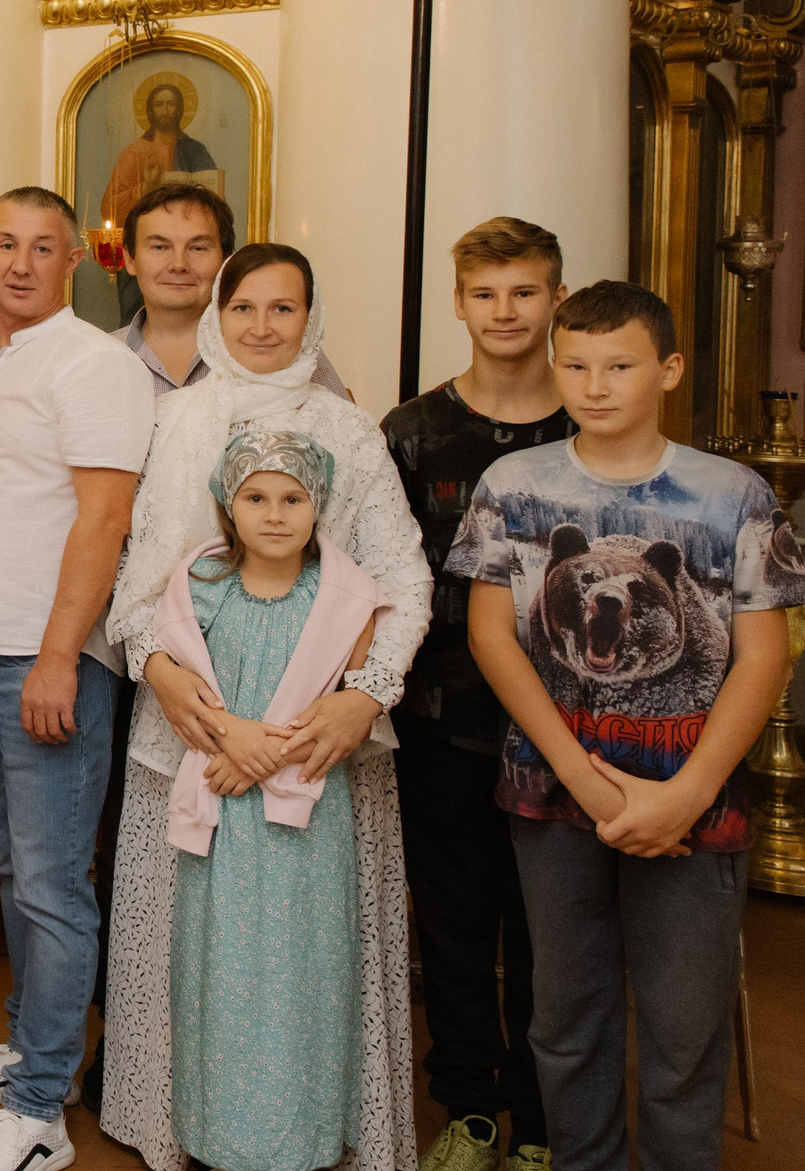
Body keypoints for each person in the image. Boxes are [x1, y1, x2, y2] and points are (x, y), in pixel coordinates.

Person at [458, 281, 803, 1171]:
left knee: (686, 1033)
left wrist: (684, 793)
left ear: (670, 369)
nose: (593, 384)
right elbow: (492, 635)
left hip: (698, 801)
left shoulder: (734, 495)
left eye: (619, 365)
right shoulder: (513, 485)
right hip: (552, 789)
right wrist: (580, 775)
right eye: (573, 364)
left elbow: (763, 658)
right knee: (567, 1017)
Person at [103, 244, 431, 1171]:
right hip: (192, 730)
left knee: (302, 960)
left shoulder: (348, 429)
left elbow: (400, 577)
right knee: (200, 958)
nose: (260, 326)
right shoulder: (175, 420)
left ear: (309, 319)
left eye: (282, 308)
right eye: (242, 305)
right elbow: (143, 581)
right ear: (217, 311)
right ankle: (195, 1124)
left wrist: (361, 699)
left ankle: (308, 1125)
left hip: (321, 739)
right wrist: (172, 685)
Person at [0, 188, 152, 1171]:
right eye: (5, 244)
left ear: (75, 261)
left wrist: (60, 654)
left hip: (43, 656)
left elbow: (103, 522)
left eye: (42, 247)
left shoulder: (95, 363)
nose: (20, 262)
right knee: (13, 869)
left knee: (54, 884)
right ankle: (27, 1048)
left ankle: (41, 1111)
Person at [144, 431, 394, 1171]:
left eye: (293, 498)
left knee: (302, 977)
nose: (275, 514)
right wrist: (232, 742)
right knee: (221, 973)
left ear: (320, 507)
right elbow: (182, 684)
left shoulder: (344, 596)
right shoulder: (203, 584)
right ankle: (219, 1135)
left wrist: (261, 755)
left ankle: (300, 1138)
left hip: (305, 822)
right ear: (228, 502)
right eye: (256, 497)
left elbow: (344, 702)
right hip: (222, 819)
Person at [384, 218, 572, 1171]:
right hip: (442, 720)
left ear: (556, 300)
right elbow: (386, 574)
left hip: (572, 732)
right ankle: (467, 1108)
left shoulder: (592, 421)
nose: (505, 311)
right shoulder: (412, 430)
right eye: (486, 293)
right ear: (458, 302)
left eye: (525, 292)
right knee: (454, 925)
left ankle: (542, 1120)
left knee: (552, 933)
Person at [113, 182, 350, 397]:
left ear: (226, 261)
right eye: (159, 247)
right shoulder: (99, 356)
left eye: (198, 248)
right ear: (130, 259)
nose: (178, 265)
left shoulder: (282, 351)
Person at [100, 81, 219, 239]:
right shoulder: (134, 153)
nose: (165, 110)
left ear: (180, 109)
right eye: (159, 105)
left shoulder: (196, 151)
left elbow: (215, 204)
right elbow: (109, 208)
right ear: (150, 110)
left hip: (190, 234)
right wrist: (146, 187)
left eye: (171, 104)